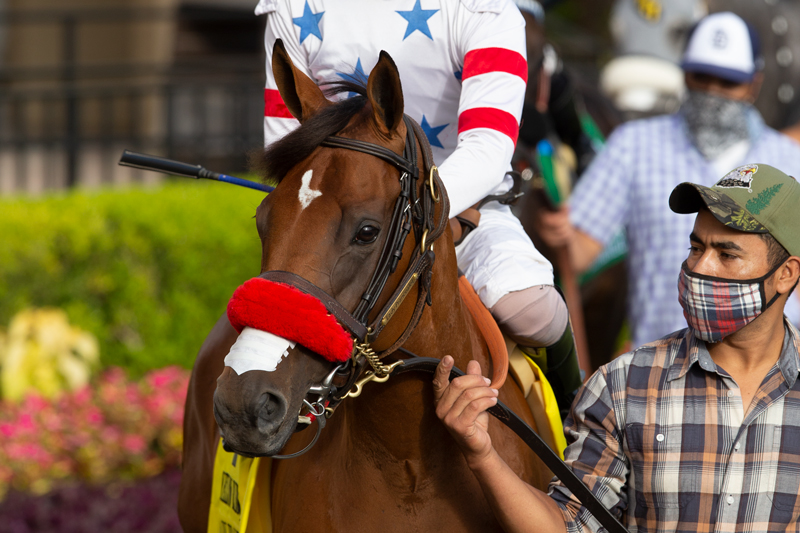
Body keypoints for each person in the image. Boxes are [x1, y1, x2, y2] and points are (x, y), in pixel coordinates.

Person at [434, 163, 800, 532]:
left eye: (726, 254)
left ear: (786, 273)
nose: (699, 267)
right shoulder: (622, 386)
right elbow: (569, 526)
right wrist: (482, 454)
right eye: (695, 247)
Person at [256, 0, 581, 411]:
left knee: (533, 312)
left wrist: (415, 218)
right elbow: (285, 148)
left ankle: (577, 430)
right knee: (254, 331)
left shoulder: (486, 10)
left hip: (464, 207)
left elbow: (487, 149)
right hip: (337, 228)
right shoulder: (291, 6)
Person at [537, 12, 800, 349]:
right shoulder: (634, 144)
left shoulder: (790, 160)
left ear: (754, 84)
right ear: (684, 74)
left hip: (771, 377)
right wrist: (550, 222)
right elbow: (576, 253)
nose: (712, 92)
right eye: (701, 77)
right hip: (662, 373)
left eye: (727, 81)